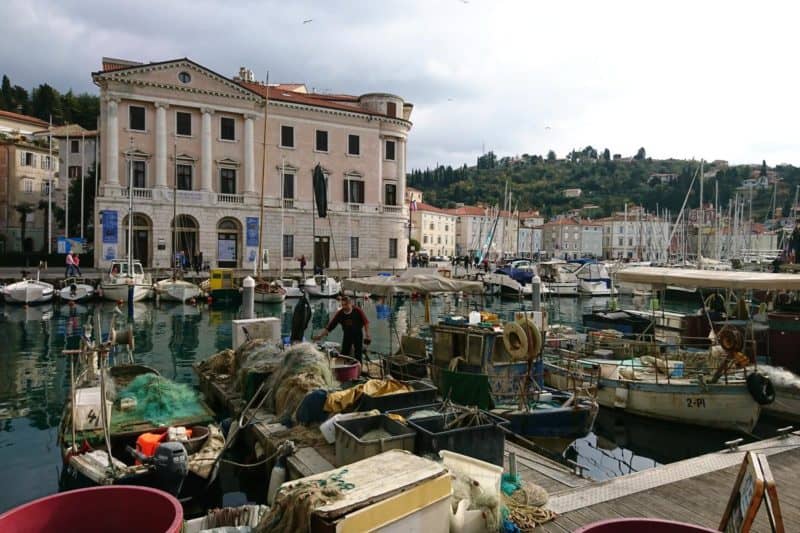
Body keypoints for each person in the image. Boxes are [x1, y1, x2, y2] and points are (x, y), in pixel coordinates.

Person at [313, 295, 371, 363]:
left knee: (358, 354)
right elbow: (330, 326)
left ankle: (359, 370)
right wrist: (320, 336)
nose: (344, 307)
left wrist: (367, 334)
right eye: (342, 305)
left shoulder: (357, 311)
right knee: (344, 353)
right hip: (347, 335)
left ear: (350, 303)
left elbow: (366, 322)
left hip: (358, 335)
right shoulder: (340, 313)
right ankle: (345, 368)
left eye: (345, 305)